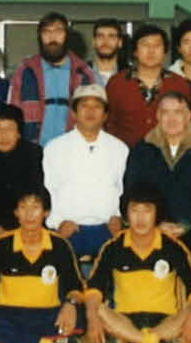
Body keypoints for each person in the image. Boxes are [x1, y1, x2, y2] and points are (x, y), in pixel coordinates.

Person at [84, 186, 191, 343]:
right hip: (125, 320)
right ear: (126, 215)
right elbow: (94, 287)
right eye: (134, 211)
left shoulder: (172, 246)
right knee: (96, 308)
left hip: (166, 320)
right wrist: (91, 317)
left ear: (157, 215)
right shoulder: (113, 246)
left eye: (147, 211)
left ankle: (131, 340)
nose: (140, 218)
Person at [121, 89, 191, 276]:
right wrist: (156, 225)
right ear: (157, 116)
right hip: (150, 231)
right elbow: (132, 191)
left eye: (178, 112)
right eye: (165, 112)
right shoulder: (143, 149)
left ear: (189, 115)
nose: (171, 118)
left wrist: (185, 225)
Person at [0, 186, 84, 343]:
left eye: (35, 207)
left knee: (79, 317)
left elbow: (75, 286)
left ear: (46, 212)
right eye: (23, 208)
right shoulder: (1, 244)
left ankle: (9, 341)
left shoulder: (60, 245)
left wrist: (70, 305)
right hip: (9, 314)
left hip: (47, 314)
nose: (29, 214)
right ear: (16, 212)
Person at [40, 84, 128, 260]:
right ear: (73, 113)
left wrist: (120, 219)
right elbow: (48, 189)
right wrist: (57, 224)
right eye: (84, 105)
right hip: (68, 231)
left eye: (97, 106)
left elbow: (123, 189)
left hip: (108, 230)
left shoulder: (119, 149)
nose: (90, 111)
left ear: (105, 115)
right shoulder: (54, 148)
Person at [7, 11, 96, 145]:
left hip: (73, 153)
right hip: (33, 154)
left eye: (58, 31)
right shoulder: (24, 72)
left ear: (67, 36)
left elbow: (93, 119)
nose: (52, 37)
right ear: (40, 37)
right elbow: (10, 117)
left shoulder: (84, 74)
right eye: (46, 32)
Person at [0, 103, 46, 239]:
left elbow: (37, 192)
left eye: (10, 129)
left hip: (28, 222)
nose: (3, 135)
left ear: (18, 133)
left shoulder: (32, 153)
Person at [106, 24, 186, 147]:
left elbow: (186, 125)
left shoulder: (179, 85)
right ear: (135, 51)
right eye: (145, 45)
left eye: (157, 46)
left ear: (165, 52)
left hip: (168, 158)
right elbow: (108, 123)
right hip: (125, 157)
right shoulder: (116, 83)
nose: (151, 51)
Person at [87, 18, 127, 85]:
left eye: (111, 36)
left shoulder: (130, 75)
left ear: (120, 42)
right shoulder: (79, 74)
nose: (105, 41)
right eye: (100, 36)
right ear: (93, 42)